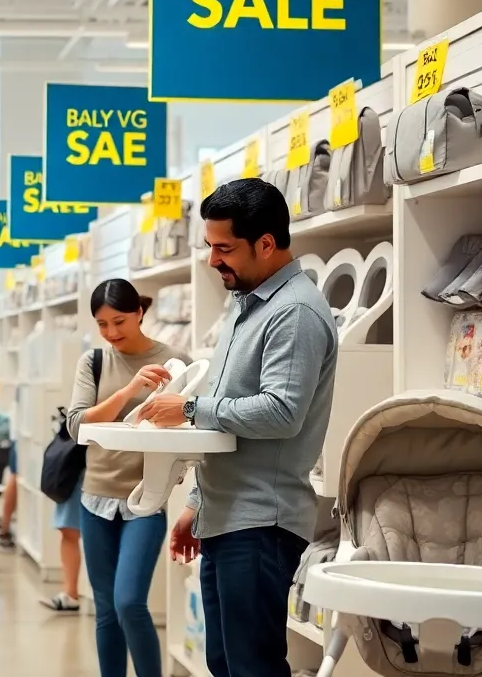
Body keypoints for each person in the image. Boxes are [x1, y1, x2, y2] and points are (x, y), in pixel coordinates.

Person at [140, 179, 337, 677]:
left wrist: (188, 410)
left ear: (266, 243)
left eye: (224, 248)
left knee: (253, 666)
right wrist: (198, 504)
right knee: (226, 663)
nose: (212, 260)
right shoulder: (246, 305)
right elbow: (231, 429)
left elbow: (279, 412)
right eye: (209, 246)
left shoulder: (293, 312)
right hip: (228, 517)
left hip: (261, 524)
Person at [63, 279, 190, 672]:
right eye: (102, 324)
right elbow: (76, 424)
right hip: (96, 495)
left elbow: (189, 423)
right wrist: (131, 389)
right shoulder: (94, 361)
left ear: (139, 313)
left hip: (147, 498)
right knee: (104, 609)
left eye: (119, 321)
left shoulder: (174, 360)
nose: (112, 333)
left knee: (129, 601)